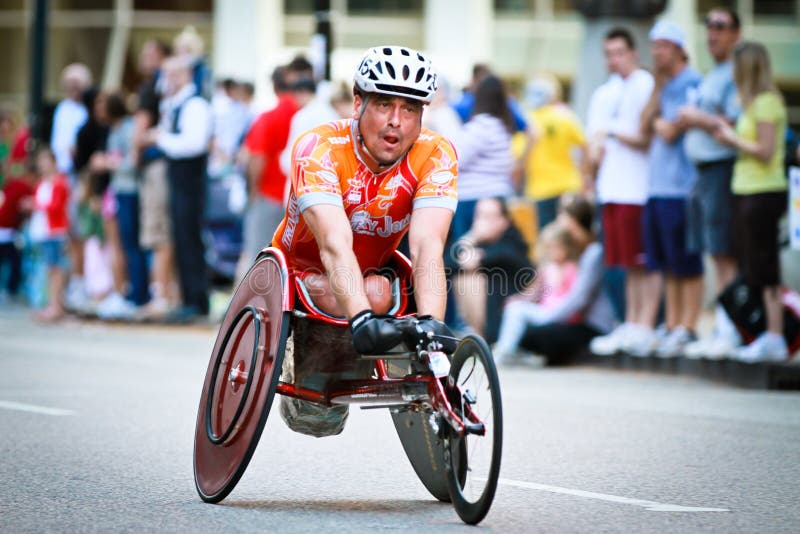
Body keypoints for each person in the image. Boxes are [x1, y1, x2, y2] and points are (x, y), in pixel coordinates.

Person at [272, 45, 457, 436]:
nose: (396, 121)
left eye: (410, 109)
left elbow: (427, 245)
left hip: (371, 275)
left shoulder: (437, 154)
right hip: (302, 271)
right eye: (384, 104)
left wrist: (433, 328)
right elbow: (333, 243)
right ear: (358, 103)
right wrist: (361, 318)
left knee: (379, 291)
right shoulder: (319, 147)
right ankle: (302, 370)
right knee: (356, 295)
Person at [586, 28, 659, 357]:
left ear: (633, 52)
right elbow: (593, 143)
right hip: (611, 188)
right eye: (609, 53)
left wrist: (611, 132)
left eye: (619, 52)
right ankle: (631, 322)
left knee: (643, 262)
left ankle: (646, 325)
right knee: (626, 264)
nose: (614, 59)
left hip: (638, 189)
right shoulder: (605, 92)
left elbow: (644, 137)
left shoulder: (646, 85)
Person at [713, 42, 789, 361]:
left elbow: (766, 150)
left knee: (764, 263)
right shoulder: (750, 103)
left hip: (763, 191)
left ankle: (775, 334)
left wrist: (732, 138)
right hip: (745, 190)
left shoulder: (767, 102)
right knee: (750, 265)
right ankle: (758, 332)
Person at [677, 7, 742, 358]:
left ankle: (732, 328)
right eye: (709, 25)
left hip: (722, 168)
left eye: (721, 26)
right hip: (702, 172)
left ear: (736, 33)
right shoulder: (713, 74)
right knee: (714, 253)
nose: (712, 33)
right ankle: (723, 325)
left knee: (724, 251)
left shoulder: (736, 73)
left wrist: (697, 118)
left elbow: (735, 122)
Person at [639, 21, 703, 358]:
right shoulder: (661, 85)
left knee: (686, 262)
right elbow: (645, 124)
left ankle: (688, 326)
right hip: (657, 187)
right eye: (654, 46)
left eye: (663, 46)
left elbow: (669, 131)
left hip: (682, 187)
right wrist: (656, 92)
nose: (657, 53)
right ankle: (673, 323)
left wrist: (658, 122)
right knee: (665, 263)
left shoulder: (692, 82)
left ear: (679, 49)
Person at [494, 194, 614, 364]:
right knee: (525, 326)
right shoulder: (566, 254)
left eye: (562, 215)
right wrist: (521, 300)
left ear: (575, 220)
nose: (559, 220)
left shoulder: (592, 253)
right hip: (564, 317)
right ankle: (511, 352)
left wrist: (548, 318)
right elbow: (538, 289)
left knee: (538, 335)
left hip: (590, 324)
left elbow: (579, 299)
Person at [146, 55, 213, 321]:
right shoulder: (174, 104)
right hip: (180, 181)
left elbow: (194, 144)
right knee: (182, 239)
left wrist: (162, 139)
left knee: (190, 240)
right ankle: (189, 299)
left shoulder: (195, 105)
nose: (168, 80)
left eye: (173, 74)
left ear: (186, 75)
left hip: (190, 182)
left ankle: (196, 301)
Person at [235, 65, 300, 281]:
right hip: (297, 199)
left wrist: (253, 190)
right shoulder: (305, 114)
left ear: (274, 86)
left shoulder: (269, 117)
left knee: (256, 256)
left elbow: (256, 157)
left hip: (268, 195)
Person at [448, 197, 533, 343]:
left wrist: (475, 255)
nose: (482, 222)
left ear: (504, 221)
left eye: (488, 216)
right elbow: (448, 264)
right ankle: (478, 336)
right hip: (490, 318)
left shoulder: (512, 243)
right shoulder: (478, 243)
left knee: (471, 278)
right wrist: (471, 237)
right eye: (479, 216)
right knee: (463, 276)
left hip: (511, 318)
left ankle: (482, 339)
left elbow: (506, 257)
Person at [134, 39, 178, 319]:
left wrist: (135, 154)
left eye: (149, 52)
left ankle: (162, 296)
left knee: (159, 232)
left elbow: (140, 133)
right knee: (160, 233)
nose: (144, 57)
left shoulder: (155, 88)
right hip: (161, 167)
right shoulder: (161, 90)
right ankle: (167, 294)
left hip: (157, 168)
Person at [517, 73, 589, 229]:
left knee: (547, 236)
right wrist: (585, 176)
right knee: (570, 234)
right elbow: (585, 145)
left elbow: (519, 158)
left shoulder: (526, 121)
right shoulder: (565, 116)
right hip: (569, 185)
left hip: (540, 190)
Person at [29, 148, 70, 322]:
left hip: (55, 231)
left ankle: (56, 306)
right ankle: (52, 304)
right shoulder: (42, 183)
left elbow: (57, 206)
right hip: (44, 231)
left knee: (56, 268)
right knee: (50, 269)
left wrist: (37, 205)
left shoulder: (60, 182)